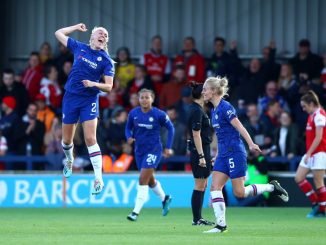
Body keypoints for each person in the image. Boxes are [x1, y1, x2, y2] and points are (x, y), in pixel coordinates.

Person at [201, 76, 289, 233]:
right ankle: (221, 225)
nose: (203, 92)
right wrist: (218, 154)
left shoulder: (225, 107)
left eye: (205, 89)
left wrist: (250, 143)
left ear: (214, 91)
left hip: (235, 152)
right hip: (223, 154)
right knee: (215, 187)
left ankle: (271, 187)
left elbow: (239, 127)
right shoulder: (214, 111)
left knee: (239, 193)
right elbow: (222, 136)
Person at [54, 23, 115, 194]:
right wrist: (75, 27)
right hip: (71, 98)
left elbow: (109, 87)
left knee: (90, 138)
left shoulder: (106, 61)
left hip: (89, 100)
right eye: (100, 33)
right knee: (67, 141)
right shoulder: (79, 48)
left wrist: (93, 84)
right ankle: (69, 160)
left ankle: (98, 179)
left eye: (106, 35)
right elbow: (58, 32)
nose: (103, 35)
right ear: (92, 37)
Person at [125, 88, 175, 221]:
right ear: (138, 99)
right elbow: (128, 128)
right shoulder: (133, 113)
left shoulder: (159, 114)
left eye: (147, 97)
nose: (144, 100)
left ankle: (135, 212)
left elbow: (171, 128)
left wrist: (168, 147)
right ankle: (165, 198)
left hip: (154, 150)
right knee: (150, 179)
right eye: (142, 97)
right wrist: (129, 136)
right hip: (139, 151)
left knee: (142, 179)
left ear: (152, 99)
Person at [295, 91, 326, 218]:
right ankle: (316, 203)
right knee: (299, 177)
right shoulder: (312, 115)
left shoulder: (320, 116)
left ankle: (322, 210)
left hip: (319, 153)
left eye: (304, 106)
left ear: (312, 103)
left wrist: (308, 153)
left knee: (319, 182)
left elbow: (319, 137)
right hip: (312, 154)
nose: (303, 109)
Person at [187, 82, 214, 226]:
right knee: (199, 184)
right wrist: (202, 156)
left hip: (203, 149)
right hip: (200, 150)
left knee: (203, 184)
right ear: (202, 93)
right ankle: (196, 219)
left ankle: (199, 218)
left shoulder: (197, 109)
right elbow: (196, 134)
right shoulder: (197, 111)